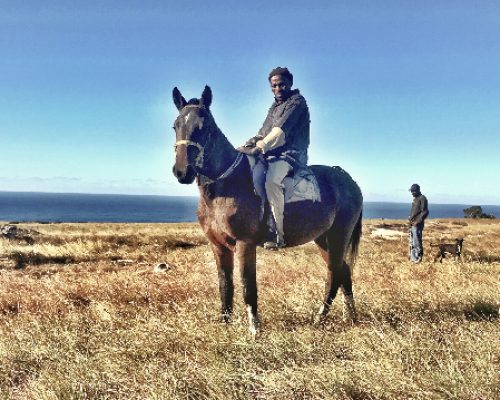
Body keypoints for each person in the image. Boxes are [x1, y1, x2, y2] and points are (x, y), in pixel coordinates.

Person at [237, 67, 310, 250]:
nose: (277, 88)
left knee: (271, 181)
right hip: (271, 154)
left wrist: (260, 147)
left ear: (290, 83)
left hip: (291, 155)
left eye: (281, 84)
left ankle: (276, 233)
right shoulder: (274, 107)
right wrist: (246, 145)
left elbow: (279, 132)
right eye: (274, 85)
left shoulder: (297, 102)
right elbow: (263, 132)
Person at [408, 183, 429, 263]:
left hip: (417, 224)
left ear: (417, 191)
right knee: (412, 242)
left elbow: (425, 211)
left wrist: (417, 222)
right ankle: (413, 258)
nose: (412, 193)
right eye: (411, 191)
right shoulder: (415, 199)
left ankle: (418, 258)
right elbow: (415, 212)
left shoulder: (422, 198)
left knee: (417, 242)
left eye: (413, 191)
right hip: (411, 223)